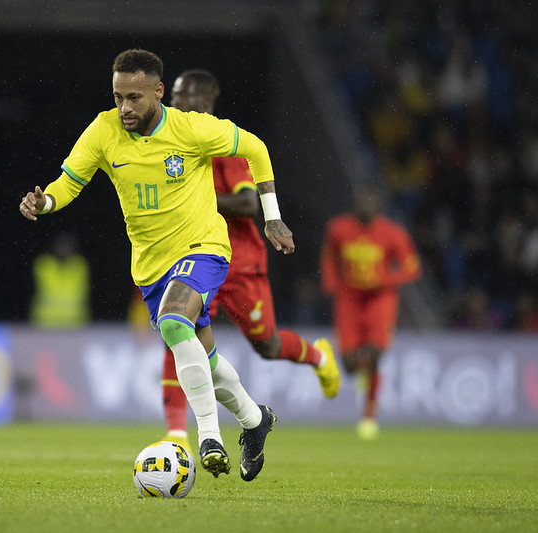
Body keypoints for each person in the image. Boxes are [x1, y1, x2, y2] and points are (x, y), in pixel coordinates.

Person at [20, 49, 293, 482]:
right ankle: (255, 420)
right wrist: (46, 200)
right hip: (151, 266)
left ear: (158, 92)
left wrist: (272, 215)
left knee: (172, 321)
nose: (125, 107)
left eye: (134, 97)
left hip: (203, 248)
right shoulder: (104, 130)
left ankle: (208, 437)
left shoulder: (191, 129)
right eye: (118, 97)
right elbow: (70, 182)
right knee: (206, 358)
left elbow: (255, 148)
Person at [161, 70, 342, 454]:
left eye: (182, 97)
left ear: (205, 104)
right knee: (177, 327)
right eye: (173, 96)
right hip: (196, 255)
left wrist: (197, 197)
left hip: (240, 263)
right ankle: (177, 433)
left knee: (268, 345)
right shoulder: (171, 142)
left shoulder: (221, 144)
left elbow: (246, 203)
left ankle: (318, 355)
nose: (175, 104)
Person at [320, 185, 421, 440]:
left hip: (380, 298)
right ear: (356, 203)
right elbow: (329, 256)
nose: (365, 205)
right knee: (351, 364)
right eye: (361, 200)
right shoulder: (338, 228)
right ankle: (355, 368)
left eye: (370, 200)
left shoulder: (392, 233)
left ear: (377, 205)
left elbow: (412, 267)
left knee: (375, 351)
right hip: (349, 298)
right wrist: (330, 281)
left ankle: (369, 412)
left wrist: (385, 278)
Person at [30, 232, 91, 328]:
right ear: (54, 249)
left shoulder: (79, 266)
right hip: (46, 320)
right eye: (61, 247)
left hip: (75, 321)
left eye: (67, 248)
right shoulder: (44, 265)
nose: (64, 251)